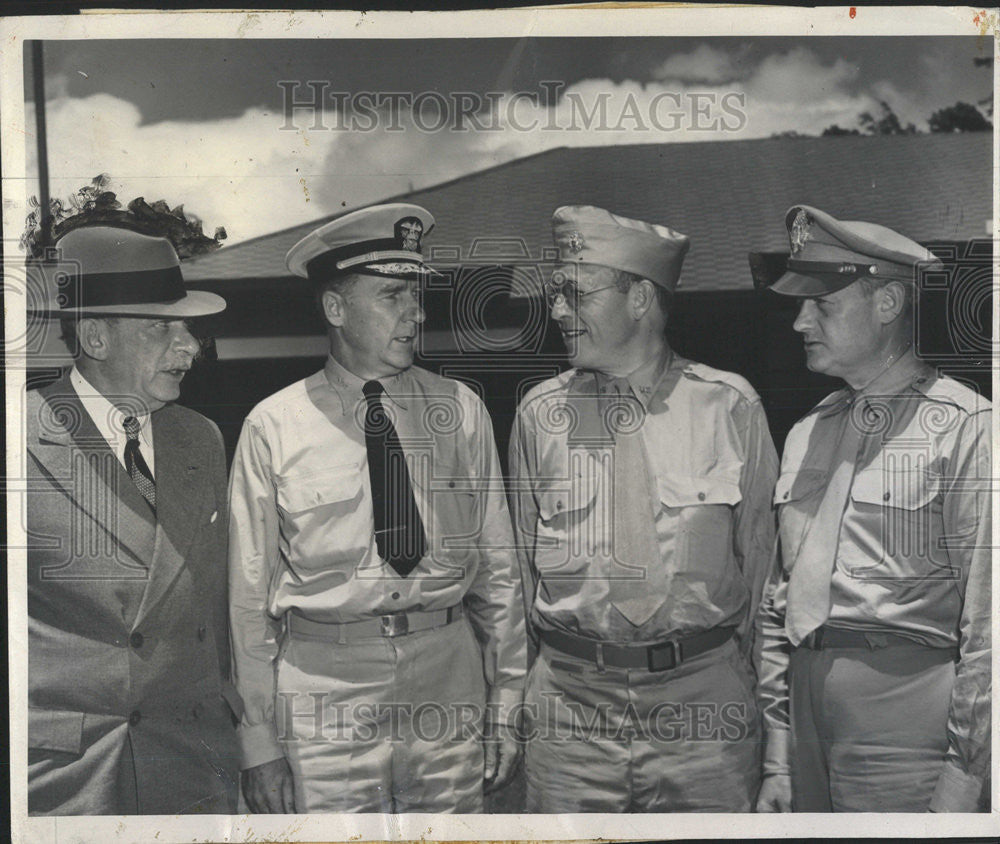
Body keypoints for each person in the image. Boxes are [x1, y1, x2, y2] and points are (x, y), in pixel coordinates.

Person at [228, 203, 526, 814]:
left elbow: (499, 570)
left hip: (449, 676)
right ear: (335, 310)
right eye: (392, 295)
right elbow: (246, 599)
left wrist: (508, 695)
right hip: (324, 691)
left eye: (416, 295)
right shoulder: (274, 425)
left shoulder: (460, 409)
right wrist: (258, 739)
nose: (415, 313)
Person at [509, 205, 778, 812]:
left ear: (639, 300)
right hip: (571, 718)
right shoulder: (539, 416)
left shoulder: (728, 407)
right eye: (556, 294)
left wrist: (774, 725)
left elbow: (766, 577)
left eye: (575, 294)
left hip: (705, 710)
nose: (556, 311)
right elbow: (516, 582)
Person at [752, 205, 991, 813]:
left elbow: (990, 626)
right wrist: (778, 754)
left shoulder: (965, 428)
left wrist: (966, 781)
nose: (800, 320)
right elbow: (782, 599)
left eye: (823, 304)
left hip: (906, 715)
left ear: (887, 305)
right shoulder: (810, 430)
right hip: (805, 715)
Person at [25, 226, 240, 814]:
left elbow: (213, 610)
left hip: (191, 765)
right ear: (94, 336)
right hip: (70, 780)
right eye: (161, 328)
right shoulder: (18, 436)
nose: (188, 347)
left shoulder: (200, 438)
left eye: (187, 328)